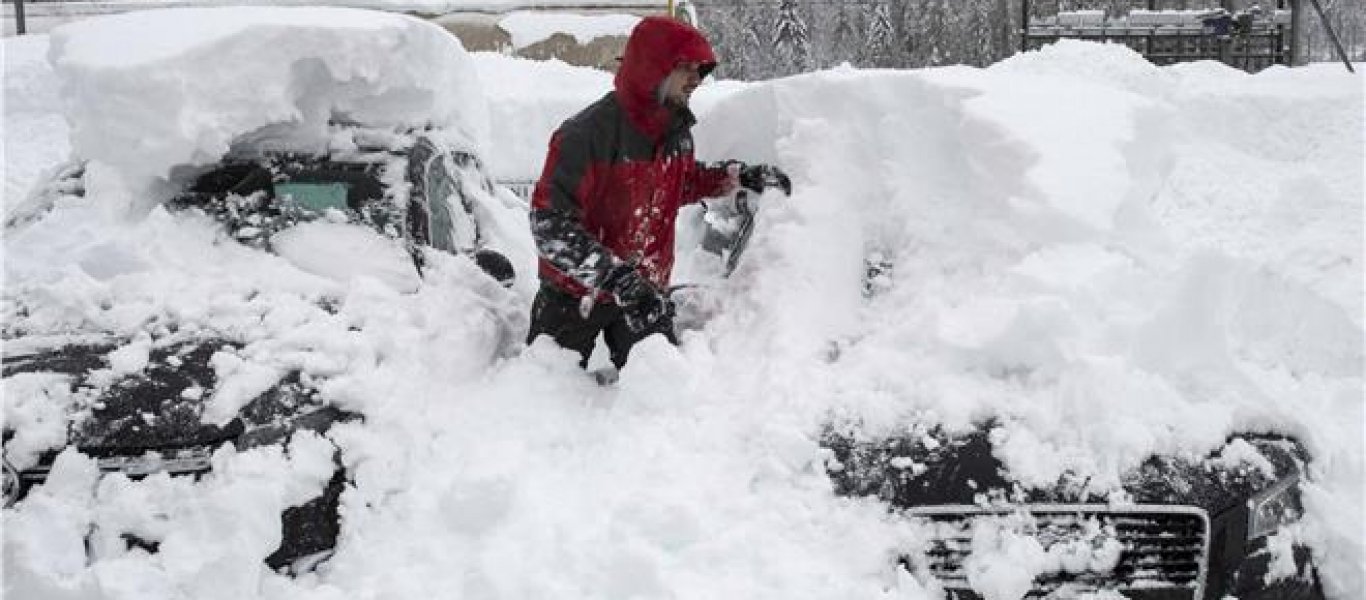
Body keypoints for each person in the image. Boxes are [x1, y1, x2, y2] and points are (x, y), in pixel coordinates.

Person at [525, 16, 738, 372]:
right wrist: (615, 277)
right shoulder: (586, 135)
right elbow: (550, 225)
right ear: (653, 68)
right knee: (549, 400)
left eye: (699, 70)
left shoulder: (676, 131)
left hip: (645, 295)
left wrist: (735, 178)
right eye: (685, 67)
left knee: (659, 399)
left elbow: (681, 183)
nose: (695, 80)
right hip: (575, 295)